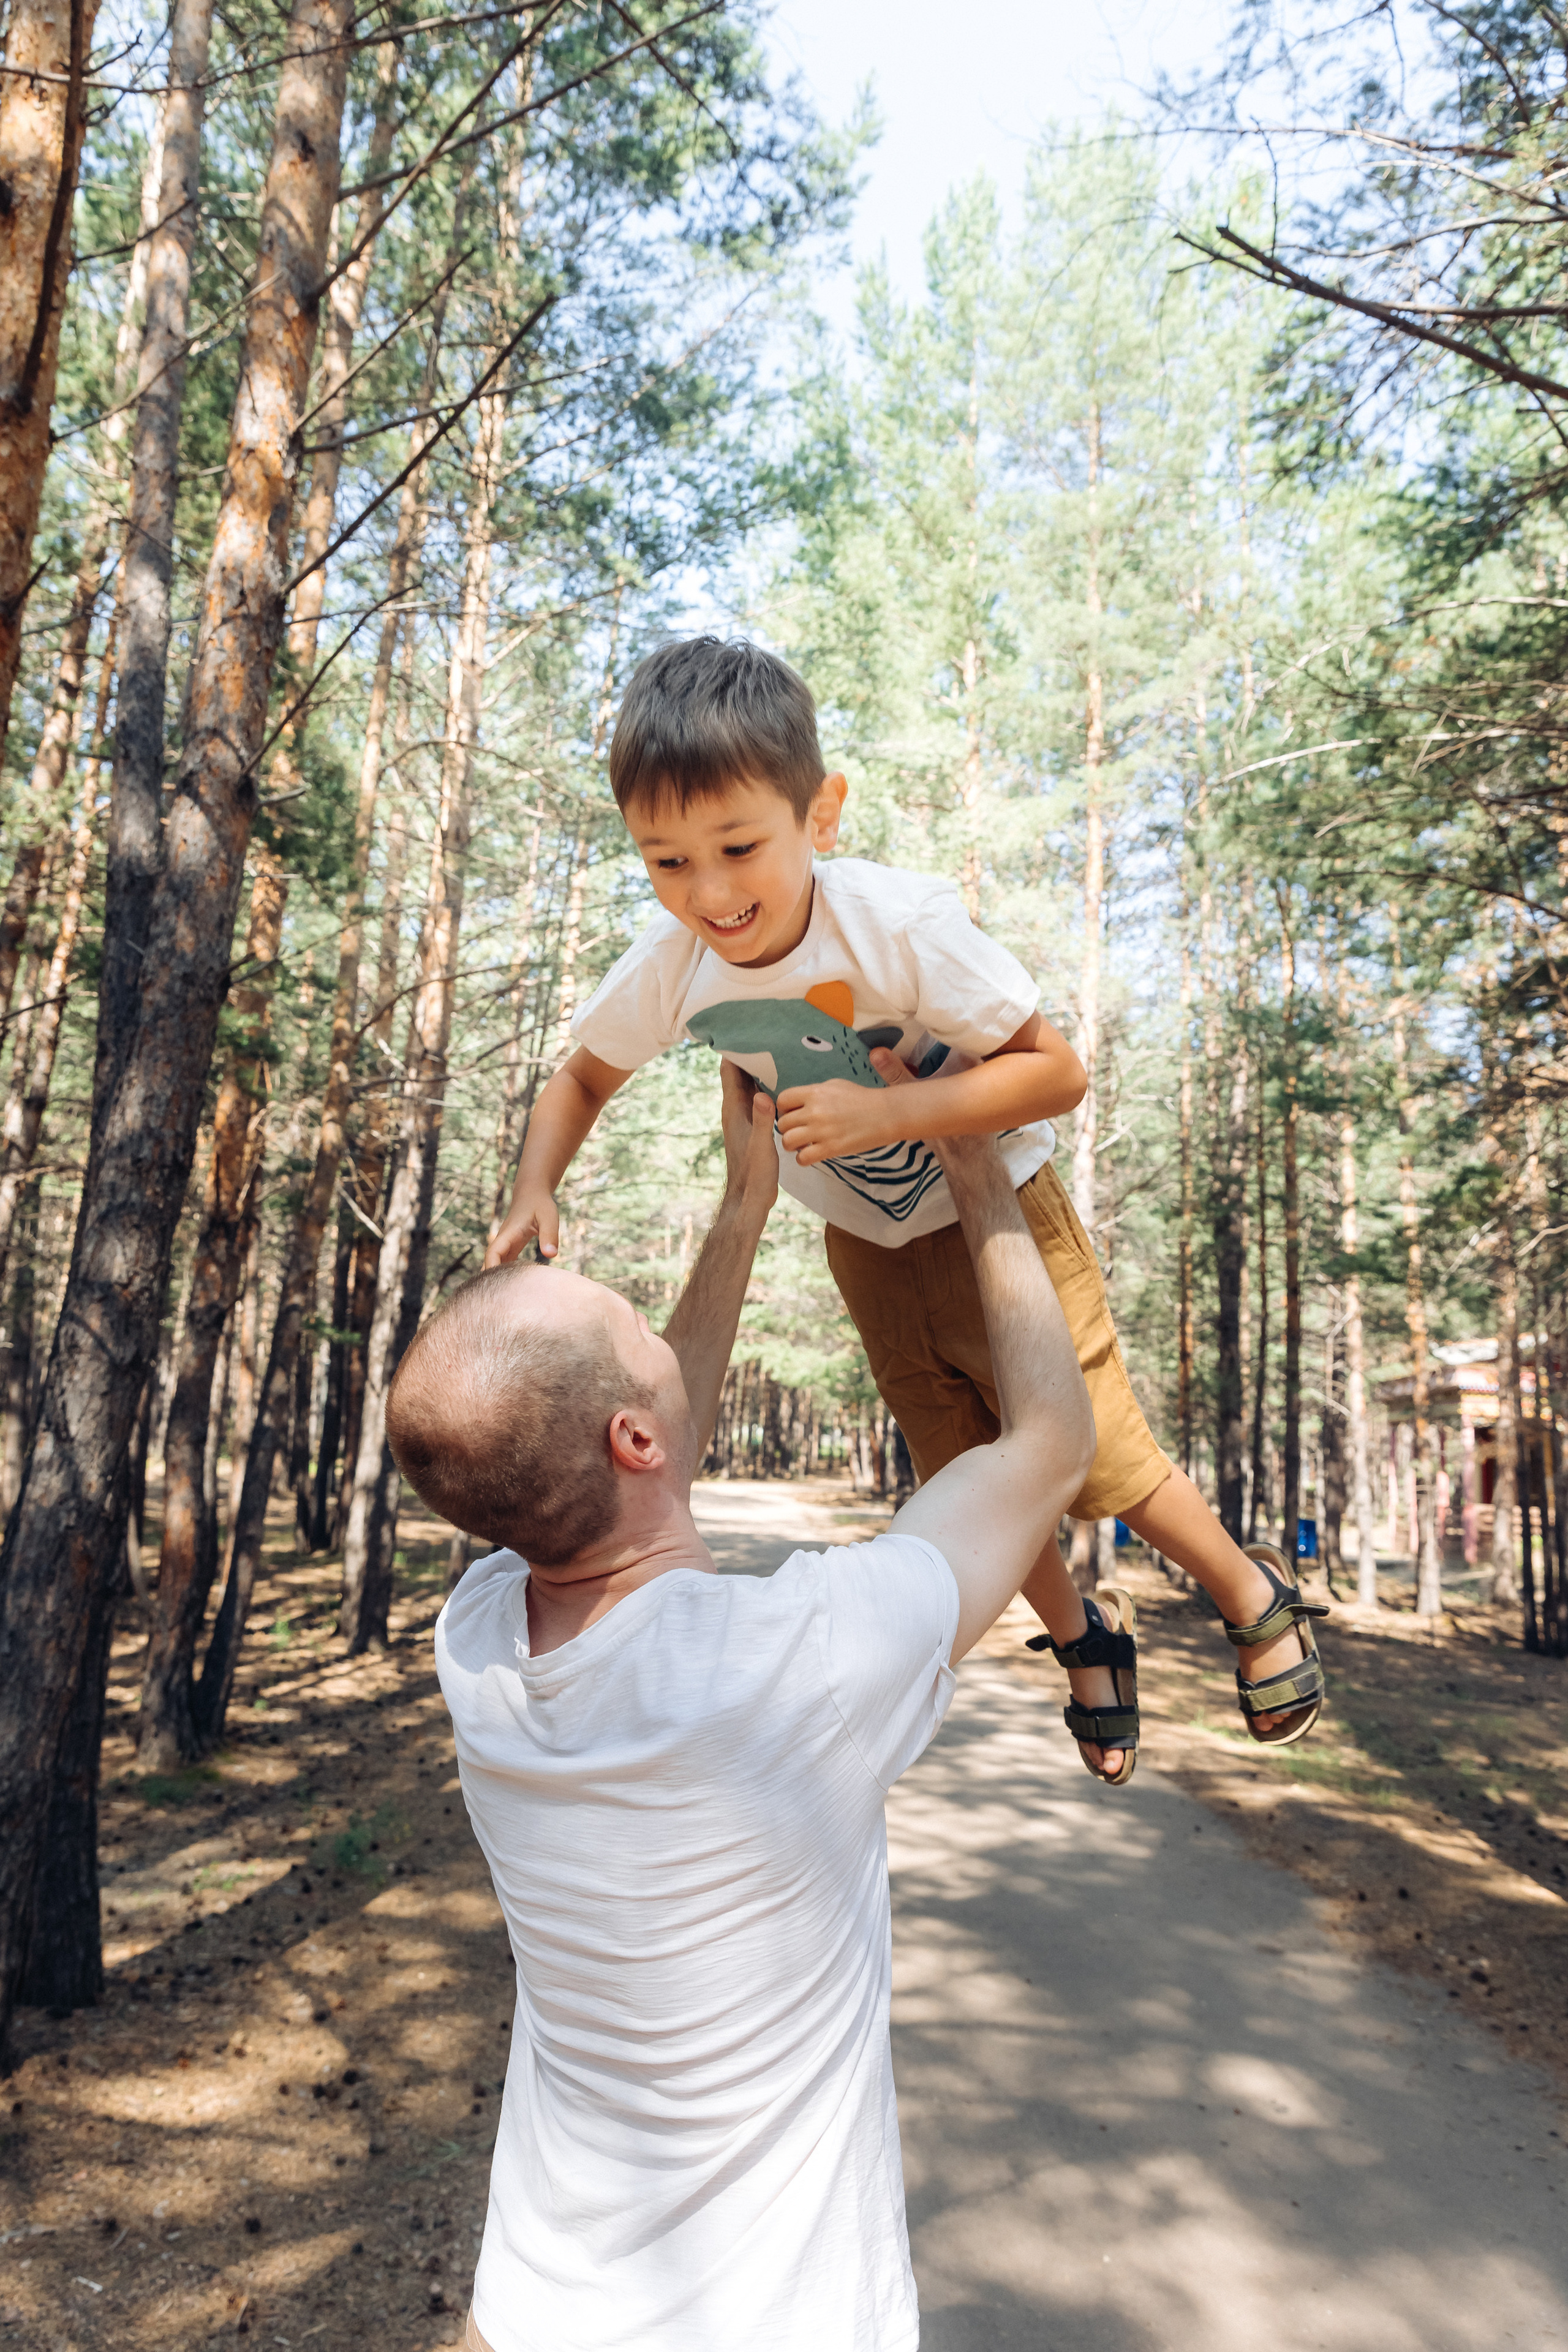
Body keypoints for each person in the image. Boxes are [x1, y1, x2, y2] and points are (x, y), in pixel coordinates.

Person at [486, 636, 1328, 1781]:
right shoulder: (675, 963)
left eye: (739, 847)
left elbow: (1058, 1072)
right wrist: (537, 1185)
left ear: (820, 814)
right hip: (871, 1242)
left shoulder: (898, 928)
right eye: (666, 861)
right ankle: (1084, 1642)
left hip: (1007, 1217)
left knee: (1094, 1451)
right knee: (963, 1463)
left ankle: (1248, 1590)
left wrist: (892, 1118)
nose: (711, 893)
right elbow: (583, 1073)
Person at [387, 1061, 1096, 2352]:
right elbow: (1047, 1445)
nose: (659, 1331)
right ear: (633, 1441)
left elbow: (634, 1461)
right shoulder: (798, 1662)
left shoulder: (480, 1642)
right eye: (632, 1319)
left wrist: (743, 1199)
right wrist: (974, 1164)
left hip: (539, 2308)